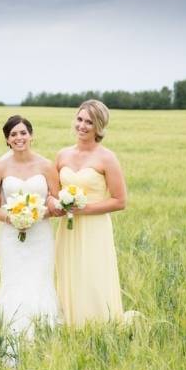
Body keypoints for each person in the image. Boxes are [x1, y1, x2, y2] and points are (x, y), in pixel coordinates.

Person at [52, 99, 137, 326]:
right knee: (69, 271)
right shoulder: (62, 155)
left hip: (94, 228)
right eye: (79, 119)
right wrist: (58, 205)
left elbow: (120, 201)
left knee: (93, 274)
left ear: (99, 126)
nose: (82, 126)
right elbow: (52, 193)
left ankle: (99, 323)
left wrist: (84, 208)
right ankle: (70, 321)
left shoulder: (107, 158)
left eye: (89, 122)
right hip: (67, 228)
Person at [0, 115, 60, 338]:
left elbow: (56, 202)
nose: (19, 138)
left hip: (41, 234)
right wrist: (11, 219)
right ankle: (11, 329)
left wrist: (37, 214)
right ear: (7, 140)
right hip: (9, 235)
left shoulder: (46, 165)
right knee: (13, 279)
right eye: (13, 134)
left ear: (31, 135)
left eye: (23, 133)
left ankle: (44, 330)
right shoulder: (1, 167)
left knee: (40, 278)